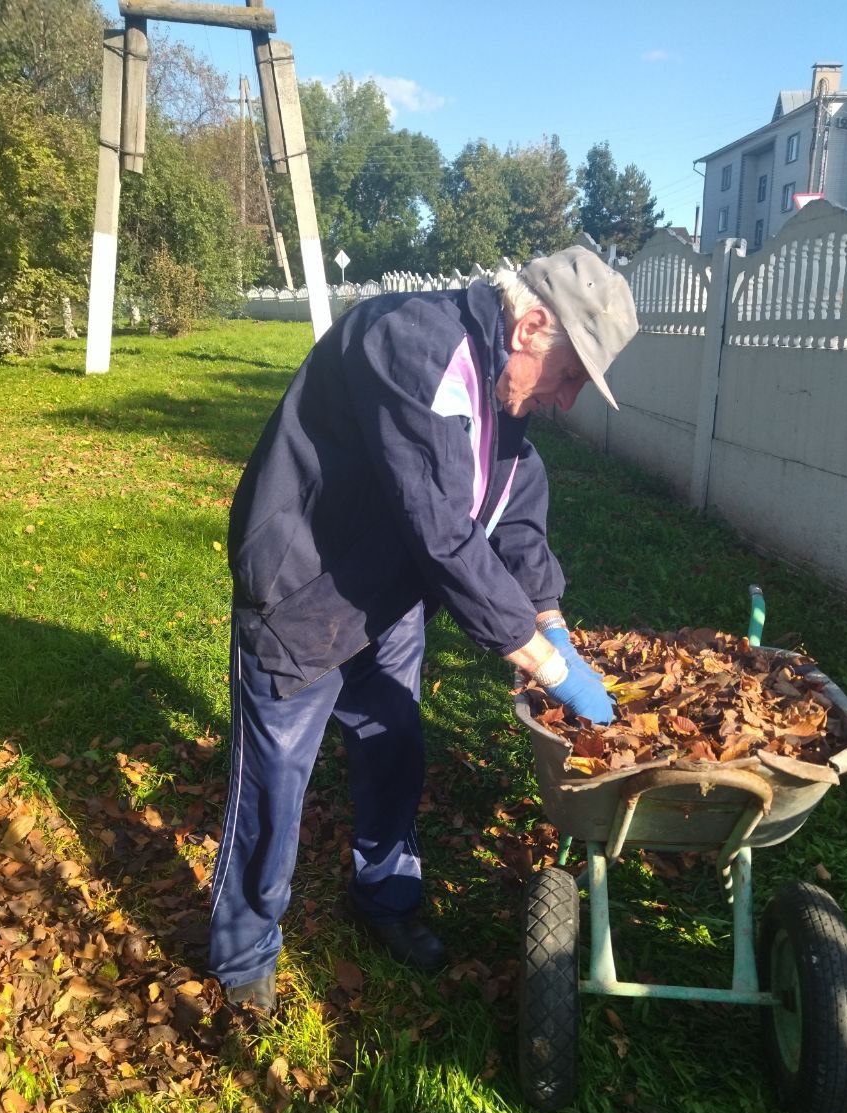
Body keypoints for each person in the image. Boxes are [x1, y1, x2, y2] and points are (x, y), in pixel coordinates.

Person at [210, 244, 638, 1013]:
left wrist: (551, 621)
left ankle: (385, 901)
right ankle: (244, 954)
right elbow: (441, 529)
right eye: (571, 374)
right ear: (531, 327)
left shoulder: (505, 395)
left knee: (394, 750)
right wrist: (546, 667)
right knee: (273, 780)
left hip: (390, 594)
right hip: (304, 589)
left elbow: (515, 516)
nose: (568, 400)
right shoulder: (412, 341)